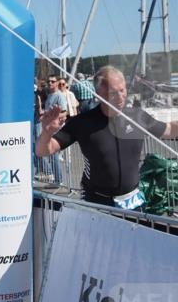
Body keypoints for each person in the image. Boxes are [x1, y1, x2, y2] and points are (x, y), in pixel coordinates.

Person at [36, 66, 178, 208]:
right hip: (97, 202)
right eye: (112, 93)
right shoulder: (83, 122)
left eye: (122, 90)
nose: (120, 97)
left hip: (133, 201)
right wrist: (47, 133)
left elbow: (169, 129)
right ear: (98, 94)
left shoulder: (138, 116)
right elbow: (43, 151)